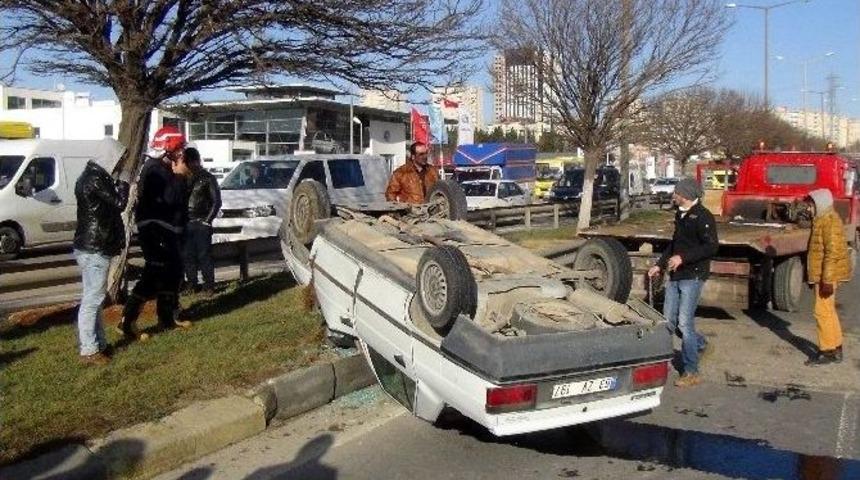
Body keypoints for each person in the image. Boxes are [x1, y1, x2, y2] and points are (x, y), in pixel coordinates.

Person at [116, 125, 191, 339]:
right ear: (169, 149)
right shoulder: (154, 169)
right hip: (156, 232)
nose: (182, 152)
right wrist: (179, 177)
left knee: (173, 272)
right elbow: (169, 200)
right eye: (180, 148)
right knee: (153, 273)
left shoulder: (167, 168)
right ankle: (127, 322)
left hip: (170, 231)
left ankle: (166, 317)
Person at [648, 177, 718, 387]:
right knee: (668, 322)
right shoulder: (680, 214)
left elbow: (711, 247)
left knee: (685, 323)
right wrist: (659, 265)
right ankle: (696, 345)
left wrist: (683, 258)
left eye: (676, 192)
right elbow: (674, 244)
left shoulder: (703, 217)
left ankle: (691, 371)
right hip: (675, 275)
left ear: (685, 195)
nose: (673, 195)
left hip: (693, 275)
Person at [73, 160, 129, 365]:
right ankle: (89, 349)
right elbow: (120, 203)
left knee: (94, 299)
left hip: (89, 245)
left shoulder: (89, 176)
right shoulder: (96, 179)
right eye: (120, 159)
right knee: (92, 300)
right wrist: (123, 183)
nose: (121, 163)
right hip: (95, 247)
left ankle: (98, 344)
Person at [805, 188, 850, 366]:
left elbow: (832, 253)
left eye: (811, 205)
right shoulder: (824, 219)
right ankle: (836, 347)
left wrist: (826, 280)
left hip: (827, 275)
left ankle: (827, 350)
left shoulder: (828, 221)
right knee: (829, 311)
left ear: (819, 204)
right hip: (825, 274)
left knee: (821, 311)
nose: (808, 209)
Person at [181, 147, 221, 295]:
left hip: (201, 221)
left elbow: (216, 201)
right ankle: (192, 283)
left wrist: (207, 220)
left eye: (189, 161)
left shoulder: (207, 178)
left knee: (204, 255)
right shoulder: (183, 178)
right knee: (188, 255)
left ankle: (209, 285)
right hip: (186, 222)